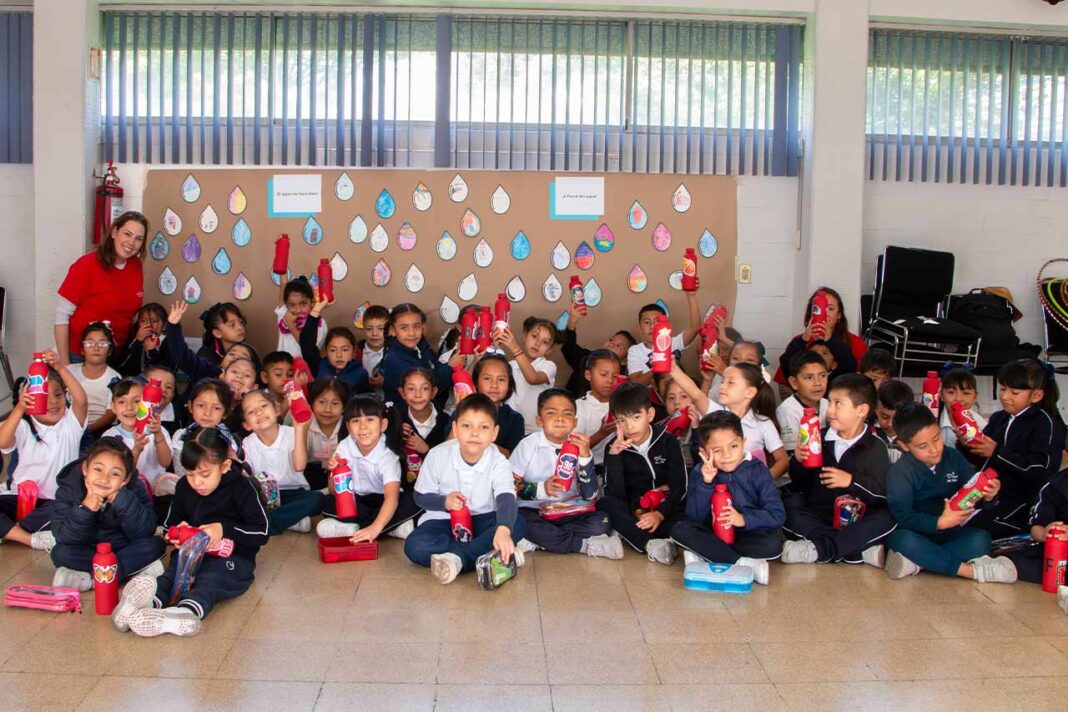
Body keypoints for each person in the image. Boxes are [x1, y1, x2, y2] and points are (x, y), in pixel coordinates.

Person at [111, 427, 269, 638]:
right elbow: (169, 526)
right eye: (190, 473)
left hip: (232, 558)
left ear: (224, 466)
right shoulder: (185, 486)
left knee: (210, 580)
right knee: (171, 577)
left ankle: (183, 614)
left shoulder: (241, 487)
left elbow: (262, 532)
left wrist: (223, 529)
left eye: (204, 475)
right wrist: (177, 534)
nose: (196, 482)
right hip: (190, 555)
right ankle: (142, 605)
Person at [884, 403, 1017, 583]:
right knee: (901, 540)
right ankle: (969, 571)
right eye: (923, 446)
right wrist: (939, 522)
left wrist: (989, 495)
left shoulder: (952, 457)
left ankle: (919, 563)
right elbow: (903, 517)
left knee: (981, 539)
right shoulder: (901, 471)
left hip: (949, 534)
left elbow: (973, 490)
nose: (934, 449)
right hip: (917, 533)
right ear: (905, 446)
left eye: (937, 438)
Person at [404, 394, 528, 585]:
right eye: (466, 426)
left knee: (516, 522)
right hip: (443, 521)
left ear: (494, 433)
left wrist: (503, 529)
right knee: (415, 546)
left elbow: (506, 497)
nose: (474, 433)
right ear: (455, 428)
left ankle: (456, 560)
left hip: (483, 519)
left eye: (483, 427)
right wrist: (444, 502)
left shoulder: (498, 461)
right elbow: (420, 496)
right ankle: (495, 554)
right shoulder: (438, 455)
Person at [781, 374, 895, 566]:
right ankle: (855, 552)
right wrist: (799, 461)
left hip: (858, 520)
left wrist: (851, 481)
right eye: (830, 402)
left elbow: (882, 494)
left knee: (888, 518)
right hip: (820, 516)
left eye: (838, 404)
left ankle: (819, 550)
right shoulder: (820, 438)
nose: (830, 410)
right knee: (785, 507)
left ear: (862, 410)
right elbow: (803, 484)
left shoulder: (876, 446)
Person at [670, 411, 786, 585]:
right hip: (713, 533)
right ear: (704, 452)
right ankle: (742, 563)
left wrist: (742, 519)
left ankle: (709, 555)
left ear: (743, 443)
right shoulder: (701, 472)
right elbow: (694, 517)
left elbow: (777, 515)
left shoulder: (757, 470)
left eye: (733, 446)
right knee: (679, 529)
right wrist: (706, 483)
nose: (727, 455)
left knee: (773, 545)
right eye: (717, 450)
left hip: (748, 534)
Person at [509, 388, 619, 559]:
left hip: (570, 511)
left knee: (602, 521)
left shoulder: (580, 446)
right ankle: (581, 545)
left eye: (567, 414)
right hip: (534, 511)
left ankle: (542, 540)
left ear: (575, 422)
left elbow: (590, 495)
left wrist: (584, 458)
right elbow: (510, 485)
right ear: (539, 420)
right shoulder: (528, 445)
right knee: (517, 520)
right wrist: (541, 489)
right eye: (551, 413)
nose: (560, 418)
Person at [964, 359, 1066, 538]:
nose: (1005, 396)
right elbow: (980, 459)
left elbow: (1040, 470)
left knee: (976, 530)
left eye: (1014, 392)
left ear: (1036, 396)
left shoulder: (1046, 423)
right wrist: (966, 442)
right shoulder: (999, 418)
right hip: (987, 493)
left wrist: (996, 451)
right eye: (1003, 389)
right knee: (952, 518)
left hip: (1023, 502)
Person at [49, 437, 166, 591]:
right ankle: (123, 575)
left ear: (126, 479)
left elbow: (144, 532)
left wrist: (122, 501)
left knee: (155, 544)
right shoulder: (69, 487)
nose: (104, 479)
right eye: (98, 469)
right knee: (60, 552)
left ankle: (95, 580)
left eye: (115, 474)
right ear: (85, 468)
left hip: (123, 547)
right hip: (88, 550)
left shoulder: (134, 487)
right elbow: (64, 536)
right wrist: (84, 509)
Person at [0, 349, 88, 550]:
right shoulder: (24, 424)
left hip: (53, 503)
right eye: (43, 396)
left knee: (72, 511)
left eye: (58, 395)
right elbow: (3, 442)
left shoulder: (70, 425)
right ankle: (27, 538)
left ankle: (10, 532)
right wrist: (21, 408)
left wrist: (59, 367)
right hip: (19, 498)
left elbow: (81, 399)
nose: (53, 402)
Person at [598, 383, 686, 565]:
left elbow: (680, 486)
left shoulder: (668, 441)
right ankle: (650, 544)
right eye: (622, 420)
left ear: (650, 415)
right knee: (604, 503)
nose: (630, 426)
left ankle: (636, 534)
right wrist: (615, 457)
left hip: (667, 507)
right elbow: (615, 493)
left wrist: (660, 514)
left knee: (686, 520)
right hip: (636, 510)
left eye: (636, 417)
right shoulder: (613, 447)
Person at [316, 395, 422, 541]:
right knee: (327, 502)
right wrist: (334, 472)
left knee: (414, 501)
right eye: (356, 421)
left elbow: (391, 498)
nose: (363, 427)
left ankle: (360, 528)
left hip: (383, 500)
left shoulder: (387, 454)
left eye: (370, 420)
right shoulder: (344, 446)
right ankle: (392, 528)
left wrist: (375, 528)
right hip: (356, 500)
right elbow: (334, 491)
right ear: (348, 427)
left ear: (383, 425)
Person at [55, 211, 148, 366]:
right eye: (127, 234)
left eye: (138, 239)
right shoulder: (87, 264)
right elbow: (61, 316)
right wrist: (65, 366)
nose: (131, 243)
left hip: (114, 356)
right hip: (80, 357)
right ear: (114, 232)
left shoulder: (136, 266)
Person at [670, 361, 787, 478]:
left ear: (750, 392)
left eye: (730, 382)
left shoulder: (763, 423)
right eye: (722, 381)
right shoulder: (715, 413)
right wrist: (673, 368)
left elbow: (782, 460)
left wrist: (764, 482)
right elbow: (696, 394)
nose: (722, 386)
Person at [239, 390, 322, 534]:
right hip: (265, 495)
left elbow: (299, 466)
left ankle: (268, 524)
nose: (259, 412)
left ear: (277, 410)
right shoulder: (248, 443)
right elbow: (246, 476)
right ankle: (289, 520)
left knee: (317, 499)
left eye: (263, 406)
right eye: (251, 412)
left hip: (294, 493)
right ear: (247, 424)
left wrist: (299, 428)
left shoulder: (291, 433)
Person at [775, 287, 867, 386]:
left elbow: (857, 373)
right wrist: (803, 339)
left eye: (830, 309)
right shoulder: (800, 341)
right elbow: (786, 372)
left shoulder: (855, 342)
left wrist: (830, 340)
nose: (825, 313)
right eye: (819, 308)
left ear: (839, 315)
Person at [381, 303, 463, 408]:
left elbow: (435, 367)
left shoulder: (420, 347)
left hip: (430, 409)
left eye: (416, 327)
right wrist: (450, 367)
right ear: (392, 330)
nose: (411, 333)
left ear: (422, 327)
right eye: (404, 328)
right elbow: (428, 388)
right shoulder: (395, 360)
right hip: (406, 416)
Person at [442, 354, 526, 456]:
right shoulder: (460, 413)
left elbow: (509, 455)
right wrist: (462, 411)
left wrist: (476, 442)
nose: (494, 385)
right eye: (487, 378)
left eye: (501, 380)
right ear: (476, 382)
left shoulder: (515, 419)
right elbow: (448, 447)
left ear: (509, 384)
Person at [101, 378, 173, 497]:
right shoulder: (110, 436)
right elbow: (120, 473)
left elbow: (165, 462)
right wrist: (136, 450)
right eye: (121, 402)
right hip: (126, 496)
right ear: (113, 406)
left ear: (149, 403)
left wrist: (158, 434)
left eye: (137, 401)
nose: (129, 407)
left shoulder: (159, 431)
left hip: (157, 495)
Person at [496, 317, 558, 436]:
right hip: (509, 427)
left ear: (549, 350)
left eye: (545, 342)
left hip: (534, 430)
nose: (537, 343)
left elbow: (533, 378)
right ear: (525, 337)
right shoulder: (510, 366)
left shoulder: (548, 366)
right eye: (534, 336)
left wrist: (514, 347)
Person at [1009, 465, 1068, 585]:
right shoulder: (1053, 486)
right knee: (1019, 561)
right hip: (1058, 550)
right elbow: (1036, 526)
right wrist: (1043, 533)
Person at [560, 302, 635, 395]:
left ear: (624, 361)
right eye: (611, 340)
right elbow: (569, 349)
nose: (611, 344)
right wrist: (571, 323)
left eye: (619, 346)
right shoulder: (587, 358)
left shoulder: (623, 379)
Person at [627, 295, 701, 387]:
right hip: (647, 398)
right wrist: (658, 366)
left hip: (672, 395)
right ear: (639, 328)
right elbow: (636, 383)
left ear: (665, 325)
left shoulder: (673, 343)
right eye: (647, 322)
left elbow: (695, 328)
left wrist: (691, 296)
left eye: (657, 322)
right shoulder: (635, 350)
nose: (652, 326)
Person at [298, 297, 370, 391]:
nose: (339, 355)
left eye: (345, 350)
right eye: (333, 350)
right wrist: (316, 311)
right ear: (326, 352)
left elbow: (366, 400)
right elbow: (306, 343)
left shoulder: (360, 374)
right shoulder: (319, 366)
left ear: (353, 352)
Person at [396, 368, 449, 489]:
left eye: (425, 388)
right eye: (411, 389)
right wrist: (395, 434)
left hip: (439, 490)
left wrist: (426, 450)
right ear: (402, 393)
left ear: (433, 392)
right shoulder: (396, 421)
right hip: (406, 491)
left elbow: (448, 464)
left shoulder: (445, 422)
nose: (418, 395)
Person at [573, 349, 622, 469]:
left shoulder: (623, 405)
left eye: (615, 376)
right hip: (589, 470)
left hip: (619, 469)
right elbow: (574, 449)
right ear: (588, 375)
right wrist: (602, 432)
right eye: (603, 375)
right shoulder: (578, 407)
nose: (610, 381)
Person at [71, 321, 121, 438]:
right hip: (71, 427)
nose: (96, 347)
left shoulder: (114, 378)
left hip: (100, 431)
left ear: (109, 350)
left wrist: (87, 430)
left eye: (102, 343)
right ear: (82, 350)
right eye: (89, 343)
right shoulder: (70, 371)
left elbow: (111, 413)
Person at [776, 350, 830, 456]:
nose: (818, 383)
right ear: (794, 382)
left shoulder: (827, 404)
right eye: (809, 377)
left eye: (823, 376)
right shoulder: (787, 410)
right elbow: (791, 453)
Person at [303, 378, 349, 490]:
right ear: (312, 404)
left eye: (335, 403)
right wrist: (302, 430)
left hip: (341, 476)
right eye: (322, 402)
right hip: (309, 475)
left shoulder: (349, 427)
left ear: (344, 407)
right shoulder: (304, 425)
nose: (328, 409)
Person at [276, 277, 326, 358]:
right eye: (292, 305)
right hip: (283, 368)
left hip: (306, 369)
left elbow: (307, 348)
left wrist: (290, 324)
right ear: (286, 305)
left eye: (303, 303)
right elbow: (283, 282)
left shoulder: (320, 324)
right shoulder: (284, 315)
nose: (298, 310)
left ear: (312, 302)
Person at [117, 303, 171, 377]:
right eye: (143, 321)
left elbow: (167, 371)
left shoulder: (168, 342)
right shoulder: (133, 340)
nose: (149, 325)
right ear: (138, 324)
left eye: (154, 321)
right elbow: (123, 367)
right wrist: (137, 342)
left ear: (164, 326)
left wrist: (151, 351)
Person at [939, 367, 986, 451]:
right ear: (941, 395)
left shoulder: (981, 424)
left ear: (975, 397)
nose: (958, 399)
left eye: (966, 393)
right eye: (951, 392)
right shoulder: (933, 420)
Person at [874, 380, 915, 464]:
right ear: (876, 409)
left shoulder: (916, 437)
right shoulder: (865, 433)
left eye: (897, 418)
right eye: (884, 417)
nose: (890, 424)